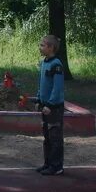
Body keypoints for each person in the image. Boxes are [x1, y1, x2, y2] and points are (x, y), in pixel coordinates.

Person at [36, 35, 65, 176]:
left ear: (51, 48)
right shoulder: (44, 63)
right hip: (45, 105)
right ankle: (47, 163)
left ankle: (56, 166)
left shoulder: (56, 64)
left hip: (54, 108)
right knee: (47, 137)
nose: (40, 47)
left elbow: (57, 87)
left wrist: (50, 104)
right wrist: (39, 99)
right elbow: (42, 84)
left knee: (55, 137)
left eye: (42, 45)